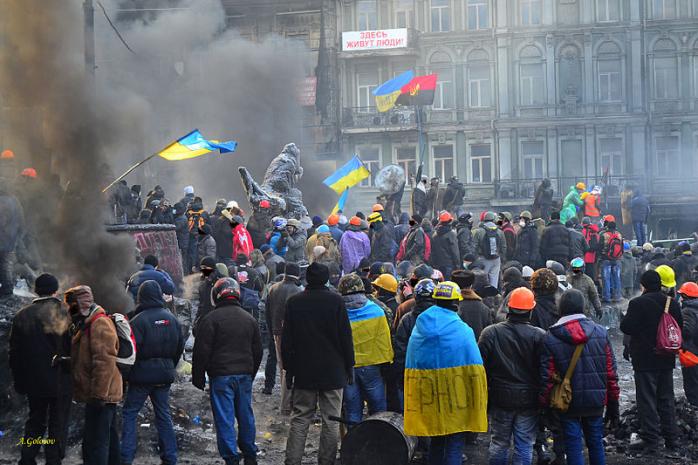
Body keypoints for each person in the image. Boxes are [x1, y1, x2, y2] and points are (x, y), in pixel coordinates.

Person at [404, 281, 488, 465]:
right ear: (456, 304)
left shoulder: (419, 328)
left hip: (430, 397)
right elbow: (475, 368)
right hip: (455, 399)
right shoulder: (464, 331)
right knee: (455, 443)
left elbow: (412, 361)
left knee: (436, 439)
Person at [282, 263, 355, 465]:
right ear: (326, 279)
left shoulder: (294, 302)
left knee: (300, 417)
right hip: (333, 371)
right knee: (331, 420)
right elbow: (345, 338)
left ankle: (292, 461)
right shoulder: (336, 301)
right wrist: (350, 365)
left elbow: (287, 340)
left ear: (306, 279)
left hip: (304, 370)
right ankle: (326, 461)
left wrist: (289, 370)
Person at [539, 289, 620, 465]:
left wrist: (544, 404)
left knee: (573, 444)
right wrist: (613, 402)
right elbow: (611, 372)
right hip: (596, 400)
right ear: (582, 306)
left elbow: (547, 376)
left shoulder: (551, 336)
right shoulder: (600, 332)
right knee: (596, 442)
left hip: (568, 401)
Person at [192, 278, 262, 465]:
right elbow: (258, 351)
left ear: (216, 295)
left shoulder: (210, 320)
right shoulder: (249, 319)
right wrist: (250, 373)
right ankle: (250, 454)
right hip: (244, 376)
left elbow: (201, 351)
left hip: (221, 377)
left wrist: (198, 377)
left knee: (225, 419)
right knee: (246, 415)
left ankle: (231, 458)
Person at [9, 274, 72, 465]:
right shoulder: (63, 313)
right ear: (55, 290)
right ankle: (53, 460)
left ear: (36, 290)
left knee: (35, 422)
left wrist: (20, 382)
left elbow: (15, 354)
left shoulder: (22, 315)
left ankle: (27, 458)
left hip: (33, 382)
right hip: (60, 380)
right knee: (57, 424)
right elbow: (72, 348)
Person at [478, 287, 544, 465]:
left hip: (500, 398)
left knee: (499, 442)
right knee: (524, 444)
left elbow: (479, 368)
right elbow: (545, 370)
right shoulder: (539, 336)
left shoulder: (490, 333)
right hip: (529, 399)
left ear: (509, 307)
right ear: (531, 310)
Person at [121, 281, 184, 465]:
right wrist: (168, 366)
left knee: (130, 413)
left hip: (141, 377)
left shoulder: (137, 321)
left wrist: (127, 375)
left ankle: (125, 457)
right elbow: (179, 348)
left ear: (140, 297)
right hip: (164, 375)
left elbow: (131, 352)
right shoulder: (172, 319)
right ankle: (170, 458)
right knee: (163, 414)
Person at [620, 270, 683, 455]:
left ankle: (652, 442)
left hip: (644, 360)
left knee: (647, 400)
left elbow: (627, 327)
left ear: (643, 285)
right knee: (666, 399)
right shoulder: (671, 303)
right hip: (666, 358)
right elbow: (678, 326)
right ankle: (672, 440)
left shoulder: (638, 303)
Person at [67, 285, 122, 465]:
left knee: (97, 442)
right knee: (107, 439)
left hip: (102, 394)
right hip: (98, 393)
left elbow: (104, 361)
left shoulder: (99, 322)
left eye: (72, 305)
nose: (69, 310)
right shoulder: (88, 322)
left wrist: (99, 394)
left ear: (80, 304)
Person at [337, 273, 393, 424]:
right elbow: (384, 342)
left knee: (353, 411)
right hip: (372, 368)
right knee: (378, 410)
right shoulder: (377, 311)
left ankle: (353, 445)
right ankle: (378, 441)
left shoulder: (338, 313)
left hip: (348, 369)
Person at [265, 262, 303, 414]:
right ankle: (286, 405)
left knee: (282, 367)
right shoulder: (297, 290)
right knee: (289, 367)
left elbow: (267, 313)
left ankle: (285, 401)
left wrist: (272, 330)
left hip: (276, 331)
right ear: (298, 274)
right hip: (291, 333)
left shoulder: (273, 288)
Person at [393, 278, 435, 412]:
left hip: (412, 374)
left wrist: (400, 377)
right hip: (437, 374)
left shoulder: (407, 320)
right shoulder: (442, 318)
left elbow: (400, 350)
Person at [450, 269, 493, 341]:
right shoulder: (484, 308)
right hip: (477, 350)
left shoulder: (450, 305)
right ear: (471, 285)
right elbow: (489, 335)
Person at [0, 173, 24, 296]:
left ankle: (6, 288)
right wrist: (19, 236)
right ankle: (7, 286)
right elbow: (21, 219)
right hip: (11, 238)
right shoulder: (15, 200)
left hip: (2, 237)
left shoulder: (2, 201)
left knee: (4, 263)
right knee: (6, 263)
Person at [473, 211, 507, 288]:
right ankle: (493, 297)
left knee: (482, 280)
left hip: (483, 259)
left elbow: (474, 246)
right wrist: (501, 257)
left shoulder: (479, 231)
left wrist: (476, 259)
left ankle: (483, 297)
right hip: (496, 259)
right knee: (494, 280)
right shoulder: (500, 232)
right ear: (494, 219)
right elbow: (504, 247)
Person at [678, 282, 698, 406]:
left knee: (692, 386)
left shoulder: (687, 311)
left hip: (691, 353)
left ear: (685, 296)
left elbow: (687, 332)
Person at [192, 256, 220, 336]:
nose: (203, 270)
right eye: (201, 268)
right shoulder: (204, 283)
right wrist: (196, 322)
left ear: (211, 267)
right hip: (207, 318)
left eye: (204, 267)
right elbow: (202, 305)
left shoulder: (220, 281)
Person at [599, 215, 624, 303]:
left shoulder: (603, 234)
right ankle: (617, 296)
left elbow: (600, 247)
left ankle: (607, 297)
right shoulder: (619, 234)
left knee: (606, 278)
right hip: (617, 259)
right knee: (617, 278)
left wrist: (600, 256)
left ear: (607, 226)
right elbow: (622, 248)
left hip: (606, 259)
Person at [430, 211, 460, 280]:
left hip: (437, 265)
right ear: (450, 221)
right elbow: (455, 252)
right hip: (449, 265)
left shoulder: (435, 235)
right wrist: (458, 266)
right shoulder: (451, 234)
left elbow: (432, 252)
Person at [581, 217, 600, 284]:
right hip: (593, 256)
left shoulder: (583, 231)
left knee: (584, 275)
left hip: (584, 255)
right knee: (591, 274)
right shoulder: (595, 231)